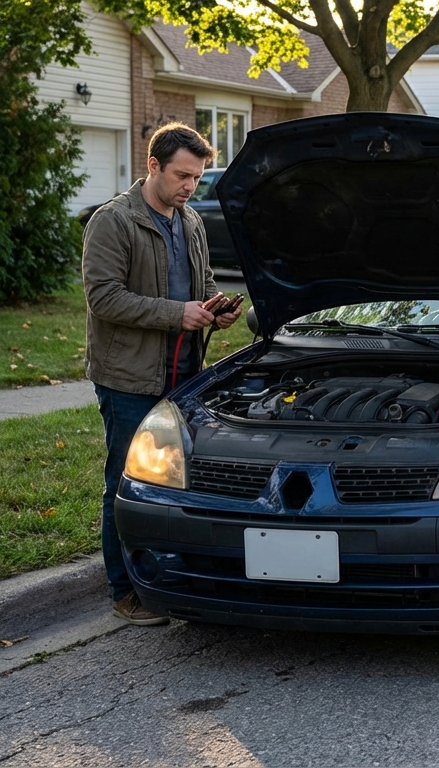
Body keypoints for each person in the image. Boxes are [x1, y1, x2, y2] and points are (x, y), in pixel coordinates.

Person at [82, 123, 242, 625]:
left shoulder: (191, 220)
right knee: (126, 483)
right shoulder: (113, 221)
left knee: (180, 482)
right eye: (181, 175)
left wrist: (216, 309)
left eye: (195, 178)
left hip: (186, 373)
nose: (190, 186)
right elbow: (103, 297)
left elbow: (206, 282)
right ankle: (123, 591)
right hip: (128, 377)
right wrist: (178, 314)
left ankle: (173, 575)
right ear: (152, 165)